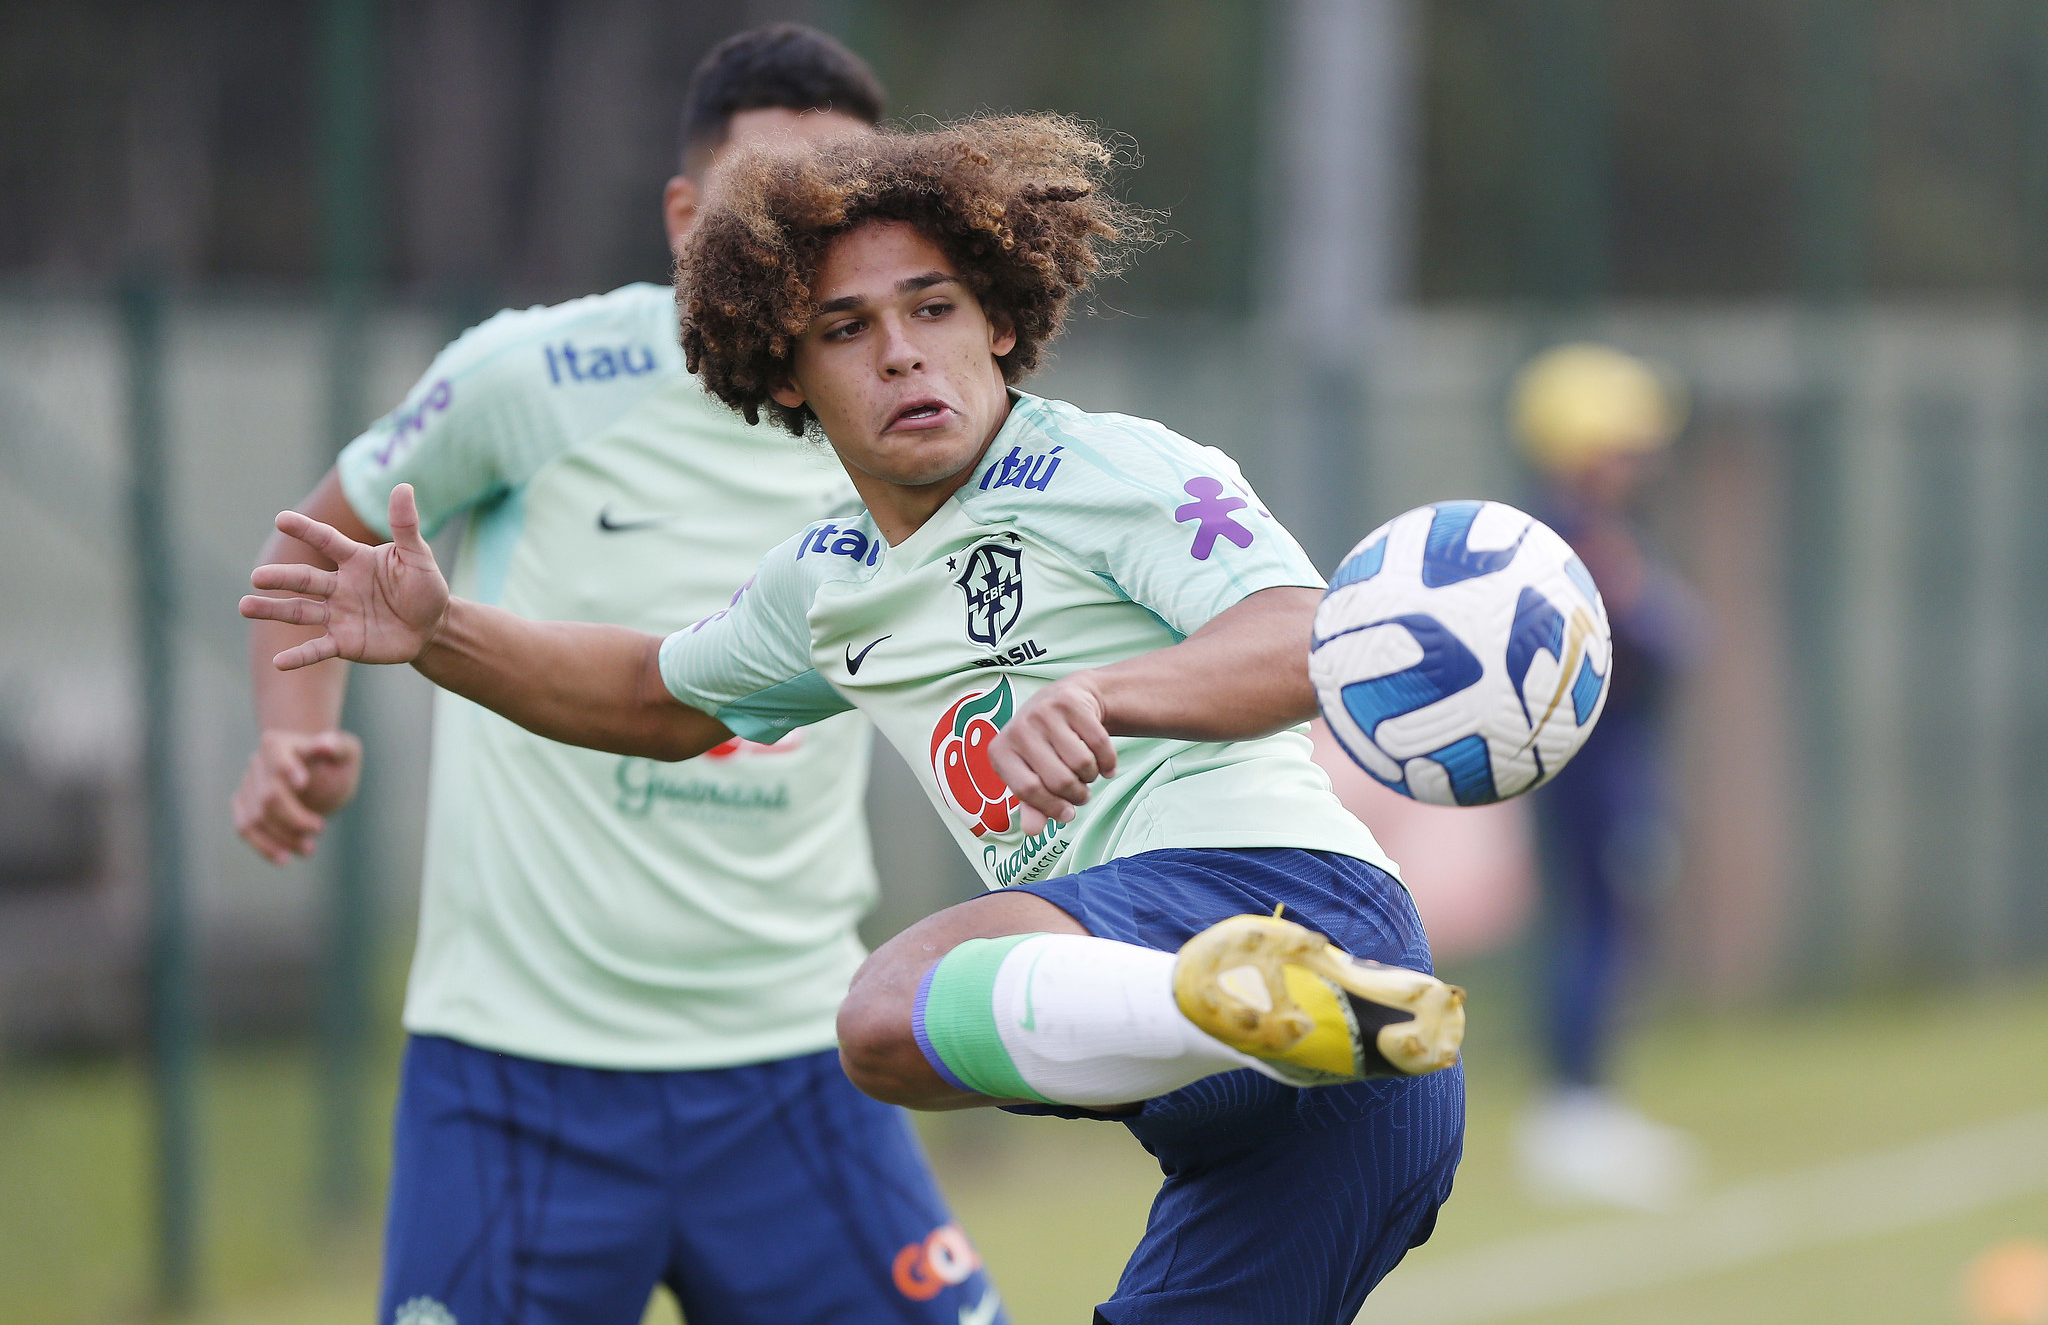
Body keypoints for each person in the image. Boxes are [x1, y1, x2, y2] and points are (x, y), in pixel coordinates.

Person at [242, 116, 1467, 1325]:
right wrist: (441, 632)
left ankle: (1239, 988)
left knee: (887, 1014)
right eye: (846, 328)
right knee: (893, 1036)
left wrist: (1104, 690)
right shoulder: (825, 585)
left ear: (997, 318)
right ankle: (1225, 1008)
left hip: (1294, 908)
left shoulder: (1113, 472)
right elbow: (652, 696)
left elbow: (1307, 634)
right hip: (1272, 1121)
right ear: (782, 373)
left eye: (932, 309)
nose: (900, 354)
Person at [232, 26, 1005, 1325]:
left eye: (847, 202)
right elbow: (313, 556)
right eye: (774, 200)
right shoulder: (530, 375)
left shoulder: (918, 415)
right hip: (520, 1071)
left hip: (793, 1055)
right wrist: (287, 734)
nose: (812, 237)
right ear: (686, 215)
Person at [1509, 343, 1701, 1211]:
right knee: (1598, 927)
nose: (1639, 463)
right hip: (1598, 765)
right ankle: (1576, 1111)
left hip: (1600, 760)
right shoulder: (1576, 540)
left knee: (1603, 927)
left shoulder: (1581, 532)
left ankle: (1586, 1105)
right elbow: (1663, 641)